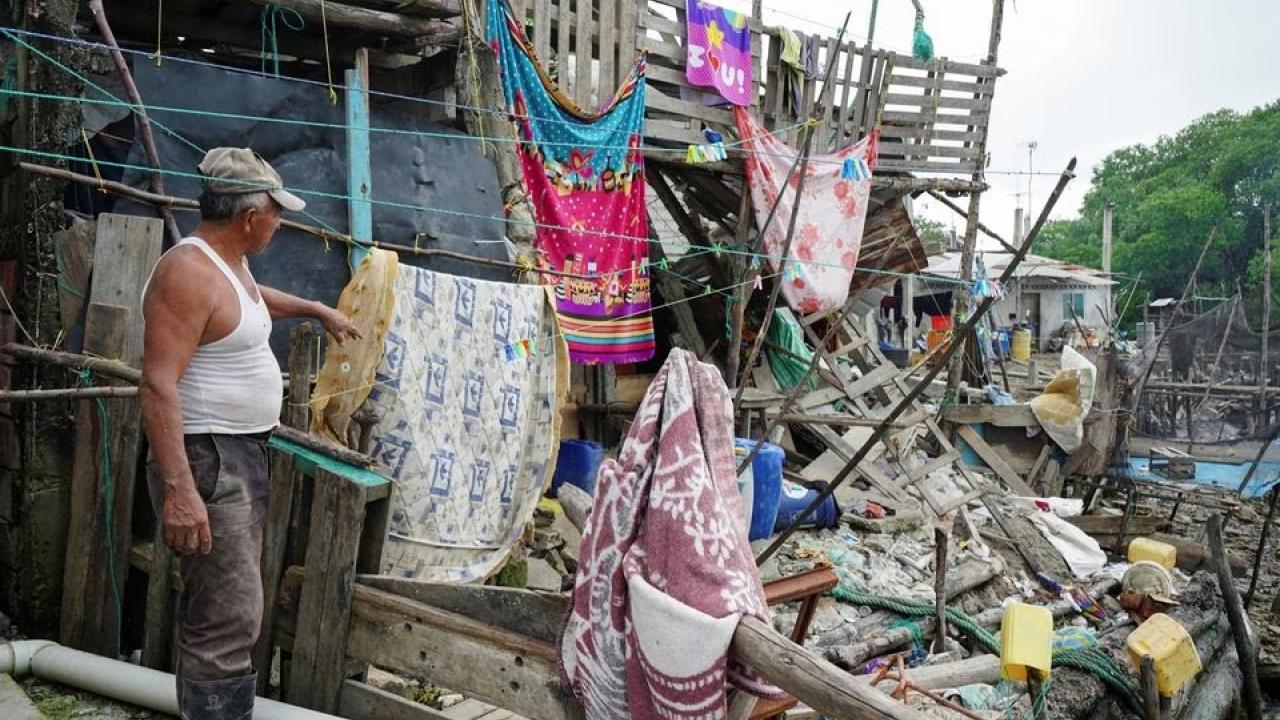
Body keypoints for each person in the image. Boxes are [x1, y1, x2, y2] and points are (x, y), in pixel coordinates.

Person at [140, 147, 360, 720]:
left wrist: (316, 308)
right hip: (208, 457)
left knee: (233, 606)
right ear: (249, 215)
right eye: (277, 212)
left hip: (237, 453)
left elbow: (250, 308)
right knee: (227, 615)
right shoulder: (187, 272)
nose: (280, 223)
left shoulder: (228, 266)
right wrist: (181, 491)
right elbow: (158, 385)